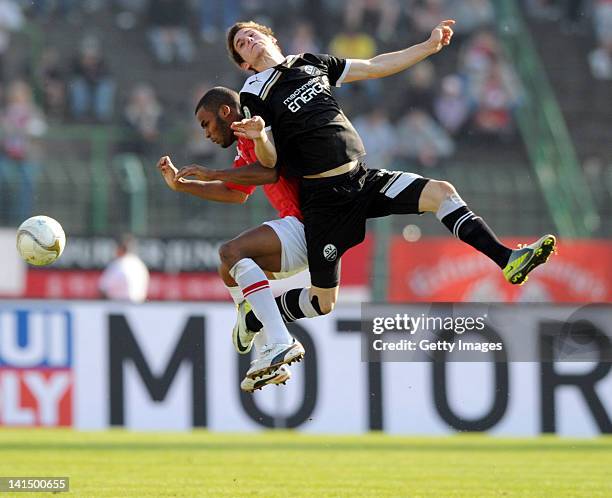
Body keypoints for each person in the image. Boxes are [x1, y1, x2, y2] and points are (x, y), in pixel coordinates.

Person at [213, 19, 557, 380]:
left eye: (251, 34)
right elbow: (269, 162)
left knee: (441, 192)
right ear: (244, 63)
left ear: (270, 36)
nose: (247, 40)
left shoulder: (311, 63)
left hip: (361, 179)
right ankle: (254, 317)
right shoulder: (253, 93)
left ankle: (507, 259)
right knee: (322, 302)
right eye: (240, 43)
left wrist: (427, 46)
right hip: (323, 201)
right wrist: (260, 137)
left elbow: (375, 66)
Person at [159, 87, 328, 391]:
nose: (206, 134)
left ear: (226, 112)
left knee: (231, 252)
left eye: (206, 124)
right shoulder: (243, 144)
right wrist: (183, 185)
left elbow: (270, 173)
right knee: (228, 266)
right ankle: (253, 325)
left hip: (310, 223)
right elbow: (236, 193)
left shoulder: (260, 129)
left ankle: (278, 340)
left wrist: (209, 174)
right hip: (305, 229)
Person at [99, 235, 150, 303]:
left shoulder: (119, 264)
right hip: (139, 306)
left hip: (119, 307)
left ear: (120, 248)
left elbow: (103, 288)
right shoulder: (140, 264)